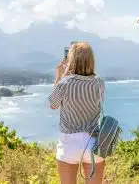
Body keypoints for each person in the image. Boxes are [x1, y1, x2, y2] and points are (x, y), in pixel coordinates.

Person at [48, 41, 105, 184]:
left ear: (71, 59)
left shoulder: (64, 83)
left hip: (69, 143)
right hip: (93, 142)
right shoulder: (99, 83)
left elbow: (53, 105)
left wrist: (60, 76)